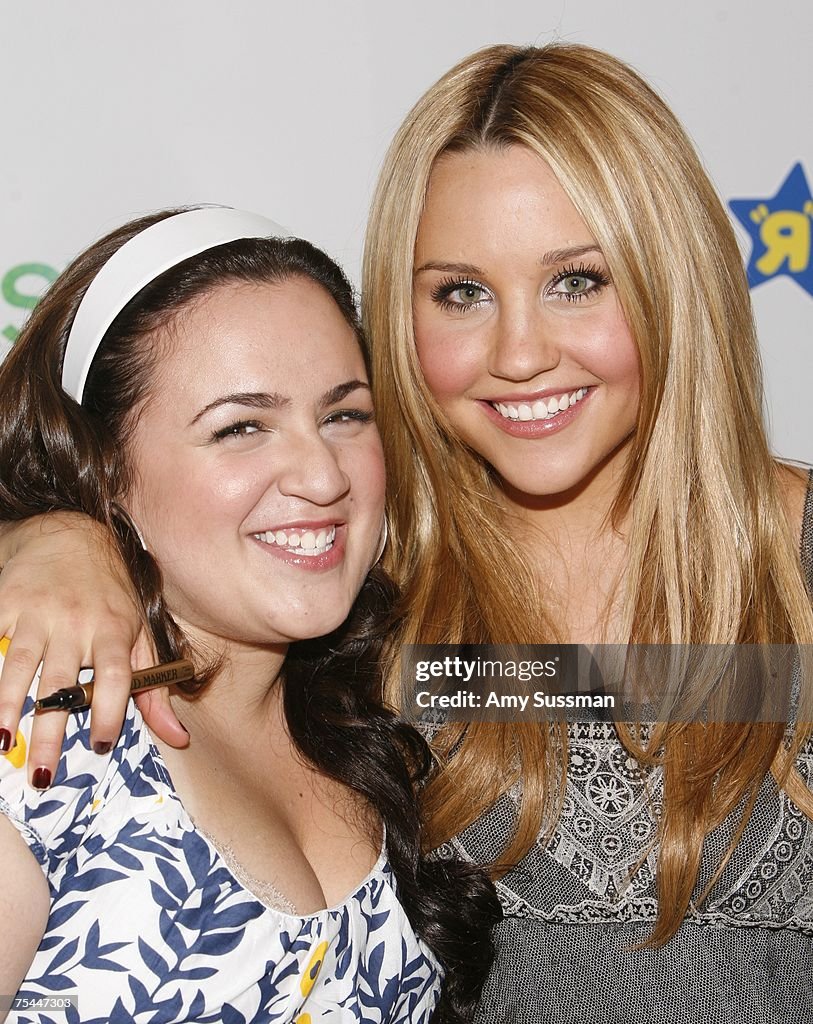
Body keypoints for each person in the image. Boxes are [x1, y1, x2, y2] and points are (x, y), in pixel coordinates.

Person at [2, 42, 812, 1022]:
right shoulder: (376, 596)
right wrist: (52, 534)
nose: (520, 353)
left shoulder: (792, 557)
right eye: (461, 293)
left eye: (577, 280)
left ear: (670, 275)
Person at [0, 207, 498, 1023]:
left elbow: (708, 692)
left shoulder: (400, 696)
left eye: (343, 414)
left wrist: (775, 512)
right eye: (241, 427)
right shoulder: (43, 720)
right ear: (102, 466)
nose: (322, 474)